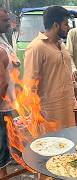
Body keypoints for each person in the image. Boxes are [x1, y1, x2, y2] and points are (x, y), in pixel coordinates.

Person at [24, 6, 77, 130]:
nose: (68, 27)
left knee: (69, 144)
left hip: (68, 108)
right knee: (52, 146)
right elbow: (30, 84)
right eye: (65, 24)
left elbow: (67, 72)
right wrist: (35, 112)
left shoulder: (61, 44)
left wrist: (76, 95)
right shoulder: (36, 47)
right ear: (55, 25)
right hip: (49, 114)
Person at [0, 7, 15, 177]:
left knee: (4, 150)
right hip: (1, 108)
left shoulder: (4, 41)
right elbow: (2, 83)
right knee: (1, 157)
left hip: (5, 106)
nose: (9, 24)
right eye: (4, 21)